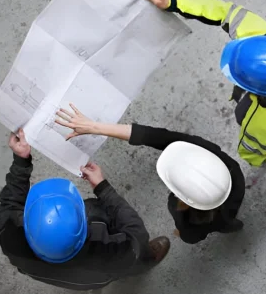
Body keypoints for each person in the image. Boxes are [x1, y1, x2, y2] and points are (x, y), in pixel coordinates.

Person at [142, 0, 266, 190]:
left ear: (258, 90)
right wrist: (175, 2)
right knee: (242, 114)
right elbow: (225, 12)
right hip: (257, 114)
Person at [0, 129, 170, 290]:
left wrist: (21, 159)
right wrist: (103, 188)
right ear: (82, 234)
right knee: (129, 256)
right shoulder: (107, 251)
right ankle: (145, 262)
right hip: (104, 270)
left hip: (75, 279)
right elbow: (137, 234)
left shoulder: (8, 235)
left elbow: (9, 203)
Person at [55, 104, 245, 244]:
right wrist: (93, 127)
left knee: (221, 223)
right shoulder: (233, 173)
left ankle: (229, 225)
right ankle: (231, 225)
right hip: (225, 212)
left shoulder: (180, 212)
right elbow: (155, 136)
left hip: (208, 219)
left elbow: (190, 237)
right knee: (226, 222)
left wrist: (95, 127)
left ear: (183, 200)